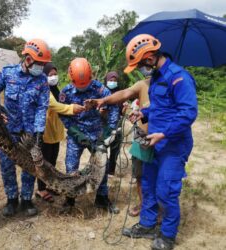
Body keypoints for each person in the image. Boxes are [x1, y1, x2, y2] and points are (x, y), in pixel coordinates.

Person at [121, 34, 198, 250]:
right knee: (148, 185)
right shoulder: (155, 78)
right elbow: (159, 109)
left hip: (173, 144)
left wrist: (164, 134)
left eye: (139, 65)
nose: (140, 70)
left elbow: (188, 112)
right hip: (153, 141)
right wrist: (143, 115)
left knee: (166, 190)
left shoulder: (179, 77)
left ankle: (167, 235)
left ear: (149, 58)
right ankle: (147, 225)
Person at [0, 38, 51, 217]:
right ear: (28, 59)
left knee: (30, 168)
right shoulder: (8, 73)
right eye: (40, 63)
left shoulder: (42, 81)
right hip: (7, 132)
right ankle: (11, 200)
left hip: (29, 134)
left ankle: (26, 200)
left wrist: (39, 132)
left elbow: (42, 107)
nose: (41, 68)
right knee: (7, 166)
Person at [59, 58, 119, 212]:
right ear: (71, 79)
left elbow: (113, 106)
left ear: (90, 77)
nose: (82, 88)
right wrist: (73, 130)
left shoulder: (99, 89)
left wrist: (110, 129)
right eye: (79, 85)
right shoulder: (65, 92)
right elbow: (62, 112)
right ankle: (70, 199)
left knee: (101, 167)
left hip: (96, 134)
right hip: (75, 135)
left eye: (85, 84)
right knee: (71, 166)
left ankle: (102, 198)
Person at [86, 77, 151, 217]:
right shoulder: (143, 84)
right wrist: (104, 100)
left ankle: (159, 212)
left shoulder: (174, 83)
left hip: (162, 138)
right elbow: (125, 93)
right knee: (140, 175)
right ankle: (144, 205)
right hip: (142, 136)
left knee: (158, 177)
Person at [36, 62, 85, 202]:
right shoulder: (44, 90)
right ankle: (41, 189)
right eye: (50, 75)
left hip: (56, 132)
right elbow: (56, 106)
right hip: (45, 131)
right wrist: (71, 108)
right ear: (44, 76)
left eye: (55, 74)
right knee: (44, 163)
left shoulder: (56, 90)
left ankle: (50, 185)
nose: (54, 77)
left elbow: (63, 102)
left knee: (52, 162)